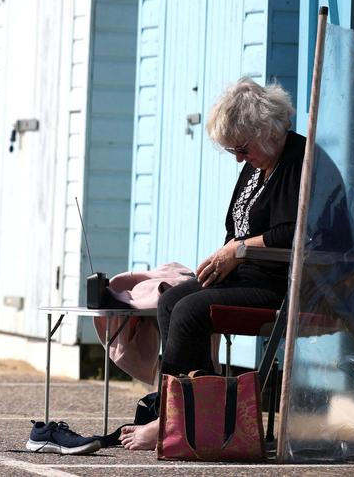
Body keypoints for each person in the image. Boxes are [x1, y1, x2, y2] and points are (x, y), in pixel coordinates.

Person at [121, 77, 305, 450]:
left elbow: (292, 232)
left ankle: (172, 420)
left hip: (282, 284)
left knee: (190, 310)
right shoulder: (257, 164)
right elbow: (234, 227)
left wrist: (237, 250)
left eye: (241, 147)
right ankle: (194, 411)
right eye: (232, 150)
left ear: (265, 129)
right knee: (172, 298)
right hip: (247, 276)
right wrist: (225, 257)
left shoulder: (298, 160)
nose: (238, 157)